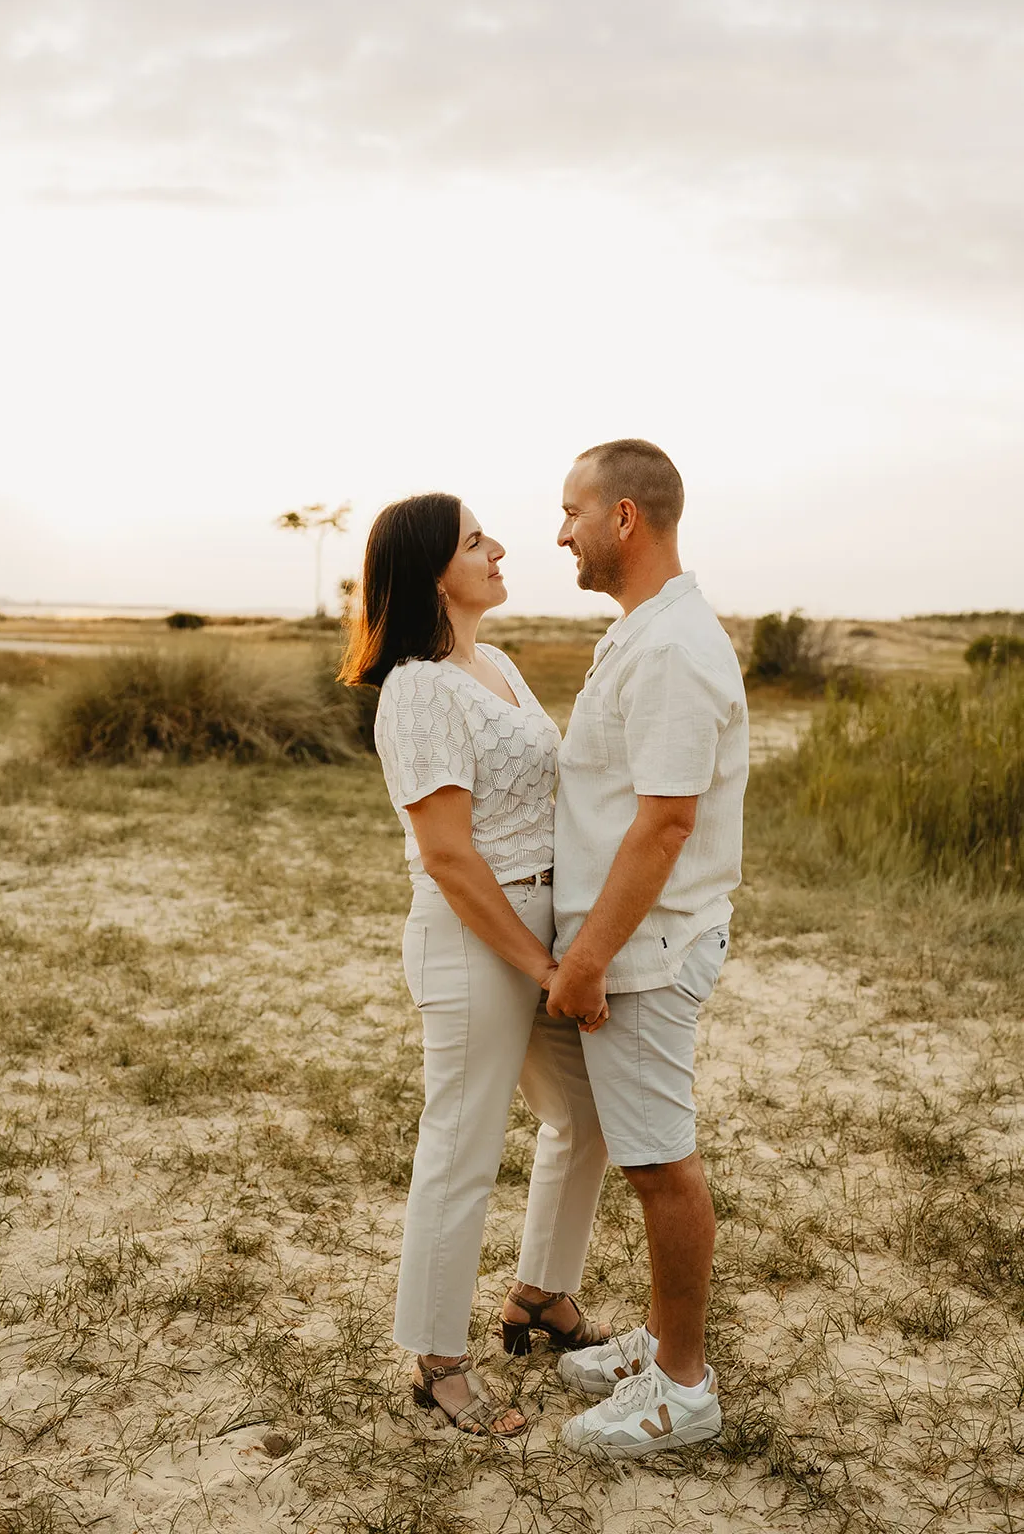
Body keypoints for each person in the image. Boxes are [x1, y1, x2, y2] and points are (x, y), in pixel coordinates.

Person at [340, 492, 611, 1438]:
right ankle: (437, 1363)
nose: (500, 549)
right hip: (473, 937)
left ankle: (539, 1294)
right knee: (461, 1143)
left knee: (585, 1113)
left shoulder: (492, 662)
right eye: (473, 542)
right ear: (429, 573)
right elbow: (450, 855)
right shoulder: (417, 689)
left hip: (542, 926)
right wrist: (542, 966)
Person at [546, 439, 749, 1459]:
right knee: (644, 1153)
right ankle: (661, 1341)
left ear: (623, 517)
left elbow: (664, 824)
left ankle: (680, 1384)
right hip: (639, 939)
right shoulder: (645, 631)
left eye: (571, 510)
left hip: (645, 951)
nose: (559, 532)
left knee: (659, 1165)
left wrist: (585, 958)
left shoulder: (671, 648)